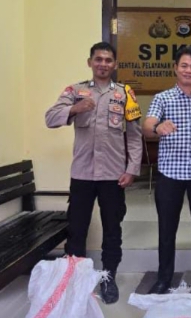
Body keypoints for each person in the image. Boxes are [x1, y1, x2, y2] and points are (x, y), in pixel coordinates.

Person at [45, 42, 142, 304]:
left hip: (113, 175)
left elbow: (134, 136)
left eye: (108, 60)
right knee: (77, 230)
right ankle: (75, 279)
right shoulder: (75, 91)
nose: (103, 64)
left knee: (113, 230)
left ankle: (109, 278)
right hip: (82, 175)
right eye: (98, 59)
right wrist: (74, 109)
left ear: (115, 64)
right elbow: (50, 118)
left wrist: (132, 169)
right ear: (90, 62)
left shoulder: (125, 94)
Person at [143, 45, 191, 294]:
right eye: (184, 65)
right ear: (175, 68)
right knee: (167, 229)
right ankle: (164, 278)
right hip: (170, 173)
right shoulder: (162, 98)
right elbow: (147, 125)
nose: (189, 70)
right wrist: (157, 127)